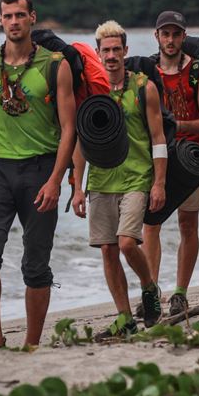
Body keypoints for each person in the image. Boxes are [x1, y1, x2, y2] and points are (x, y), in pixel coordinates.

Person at [0, 0, 76, 348]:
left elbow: (70, 128)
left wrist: (57, 179)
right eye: (7, 15)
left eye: (19, 15)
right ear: (0, 20)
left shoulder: (56, 65)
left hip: (40, 171)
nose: (14, 21)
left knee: (36, 263)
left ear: (32, 18)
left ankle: (32, 344)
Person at [71, 20, 167, 336]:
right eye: (105, 50)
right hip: (100, 181)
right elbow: (82, 142)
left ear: (125, 51)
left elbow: (158, 138)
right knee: (108, 250)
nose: (111, 55)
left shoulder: (144, 88)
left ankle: (149, 285)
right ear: (97, 54)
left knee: (127, 243)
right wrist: (77, 188)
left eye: (116, 49)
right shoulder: (89, 92)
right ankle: (125, 317)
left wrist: (159, 183)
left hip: (136, 177)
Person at [142, 11, 199, 316]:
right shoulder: (147, 73)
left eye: (175, 34)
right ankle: (151, 292)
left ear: (184, 36)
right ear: (156, 36)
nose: (170, 40)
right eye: (165, 34)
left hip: (191, 159)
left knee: (188, 224)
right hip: (157, 156)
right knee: (151, 223)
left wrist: (174, 126)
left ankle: (180, 294)